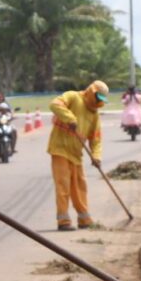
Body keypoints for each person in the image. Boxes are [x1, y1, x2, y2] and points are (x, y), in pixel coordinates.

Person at [47, 80, 108, 231]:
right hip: (60, 149)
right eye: (98, 97)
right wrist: (70, 118)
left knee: (80, 186)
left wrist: (96, 156)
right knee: (63, 185)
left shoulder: (94, 114)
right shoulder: (73, 97)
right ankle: (63, 221)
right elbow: (54, 104)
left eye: (101, 100)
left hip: (76, 153)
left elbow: (96, 138)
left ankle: (84, 219)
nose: (99, 102)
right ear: (90, 91)